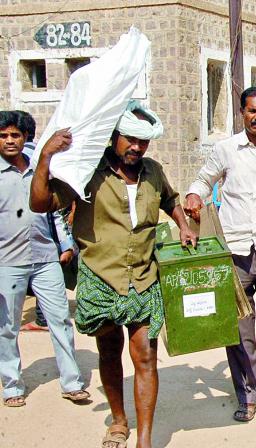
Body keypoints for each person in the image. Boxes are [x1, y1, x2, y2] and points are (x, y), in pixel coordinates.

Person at [30, 101, 197, 448]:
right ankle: (119, 422)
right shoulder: (89, 171)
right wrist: (46, 156)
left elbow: (171, 199)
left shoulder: (153, 171)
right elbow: (40, 203)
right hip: (100, 275)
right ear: (115, 137)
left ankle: (145, 438)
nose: (136, 147)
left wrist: (183, 225)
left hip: (144, 276)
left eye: (143, 141)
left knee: (146, 356)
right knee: (109, 351)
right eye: (130, 139)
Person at [185, 86, 256, 422]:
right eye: (251, 111)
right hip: (233, 249)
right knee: (238, 326)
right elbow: (203, 179)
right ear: (242, 112)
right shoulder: (226, 149)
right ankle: (248, 394)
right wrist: (194, 195)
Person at [0, 110, 89, 408]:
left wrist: (65, 244)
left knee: (60, 319)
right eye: (3, 136)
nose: (9, 141)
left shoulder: (39, 169)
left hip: (45, 257)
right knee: (7, 326)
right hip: (7, 262)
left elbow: (55, 211)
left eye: (15, 135)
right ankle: (12, 386)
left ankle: (72, 382)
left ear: (26, 137)